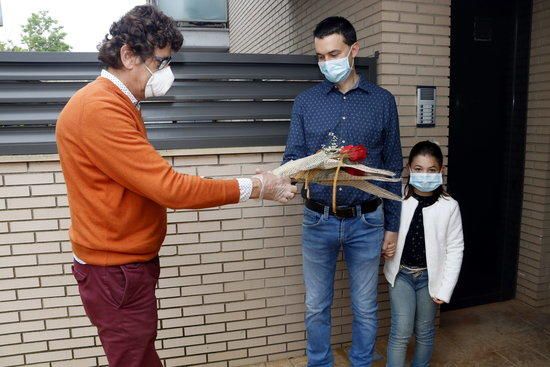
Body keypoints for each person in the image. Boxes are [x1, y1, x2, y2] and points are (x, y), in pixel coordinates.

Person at [55, 5, 296, 367]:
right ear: (128, 55)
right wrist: (256, 186)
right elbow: (170, 188)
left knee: (139, 355)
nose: (166, 73)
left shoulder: (120, 102)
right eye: (162, 62)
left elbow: (146, 182)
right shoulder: (100, 109)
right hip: (116, 272)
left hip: (123, 268)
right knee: (135, 359)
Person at [283, 16, 403, 367]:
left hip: (367, 221)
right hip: (317, 219)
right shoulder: (306, 102)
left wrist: (392, 227)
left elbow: (394, 166)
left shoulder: (382, 101)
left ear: (354, 50)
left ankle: (361, 362)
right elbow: (291, 156)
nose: (326, 63)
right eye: (320, 57)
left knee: (365, 305)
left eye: (332, 54)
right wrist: (296, 173)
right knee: (315, 305)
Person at [384, 141, 464, 367]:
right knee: (401, 330)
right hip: (400, 276)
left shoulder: (449, 206)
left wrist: (445, 287)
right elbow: (384, 229)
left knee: (425, 330)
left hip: (430, 278)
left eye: (431, 170)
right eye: (418, 169)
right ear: (409, 169)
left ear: (441, 171)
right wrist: (385, 245)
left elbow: (455, 248)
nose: (424, 175)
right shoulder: (398, 198)